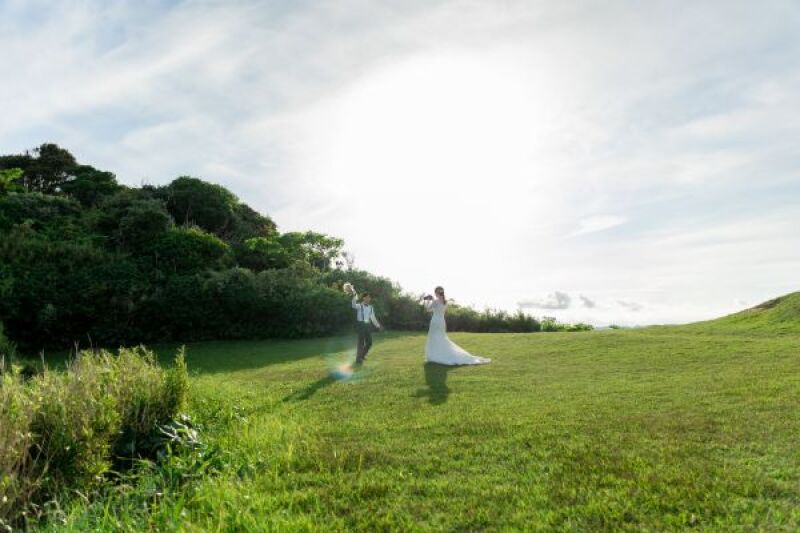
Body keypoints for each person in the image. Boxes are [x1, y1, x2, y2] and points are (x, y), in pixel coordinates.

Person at [422, 286, 490, 365]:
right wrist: (433, 300)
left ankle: (435, 355)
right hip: (441, 321)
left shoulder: (436, 301)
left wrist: (428, 301)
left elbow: (428, 309)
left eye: (435, 293)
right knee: (441, 338)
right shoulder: (445, 302)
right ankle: (440, 354)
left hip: (435, 321)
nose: (435, 294)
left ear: (436, 293)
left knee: (434, 337)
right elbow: (440, 309)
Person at [344, 283, 382, 366]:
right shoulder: (359, 306)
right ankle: (358, 359)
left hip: (367, 325)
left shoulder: (371, 307)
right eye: (368, 297)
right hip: (360, 325)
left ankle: (362, 355)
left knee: (369, 342)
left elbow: (373, 318)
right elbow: (353, 305)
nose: (369, 298)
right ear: (364, 298)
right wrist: (354, 295)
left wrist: (378, 326)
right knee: (361, 343)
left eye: (369, 297)